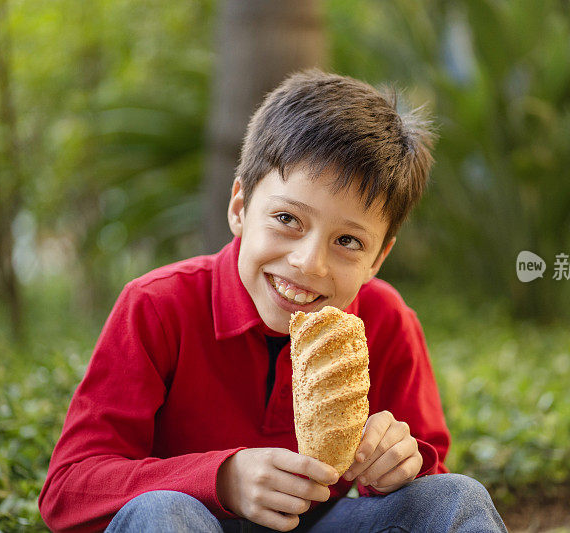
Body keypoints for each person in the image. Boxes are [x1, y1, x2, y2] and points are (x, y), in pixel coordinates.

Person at [39, 69, 507, 533]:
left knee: (455, 500)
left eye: (348, 241)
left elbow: (424, 487)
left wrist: (399, 466)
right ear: (240, 207)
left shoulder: (385, 321)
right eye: (287, 218)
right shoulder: (158, 306)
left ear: (379, 257)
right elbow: (68, 489)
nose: (309, 263)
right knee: (164, 513)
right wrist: (222, 479)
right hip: (194, 524)